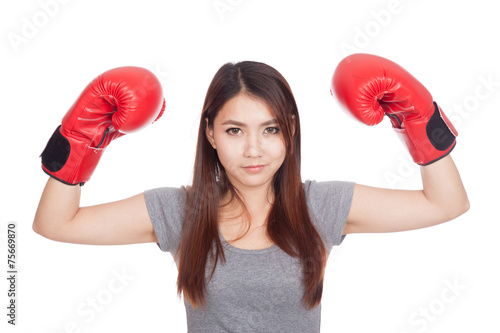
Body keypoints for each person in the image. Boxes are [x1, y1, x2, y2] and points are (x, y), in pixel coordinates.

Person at [33, 54, 469, 333]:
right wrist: (81, 140)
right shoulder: (181, 210)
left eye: (271, 129)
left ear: (290, 132)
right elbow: (55, 223)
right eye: (235, 130)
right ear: (211, 134)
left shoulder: (320, 205)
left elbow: (446, 203)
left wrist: (418, 122)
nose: (254, 149)